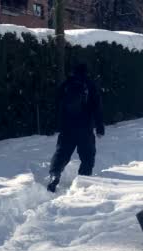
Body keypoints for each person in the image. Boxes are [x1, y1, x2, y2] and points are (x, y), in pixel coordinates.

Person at [47, 64, 104, 193]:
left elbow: (56, 105)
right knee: (88, 156)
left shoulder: (66, 85)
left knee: (61, 153)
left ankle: (54, 174)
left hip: (67, 127)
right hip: (85, 128)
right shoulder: (90, 85)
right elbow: (97, 107)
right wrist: (100, 127)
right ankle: (82, 180)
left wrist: (53, 124)